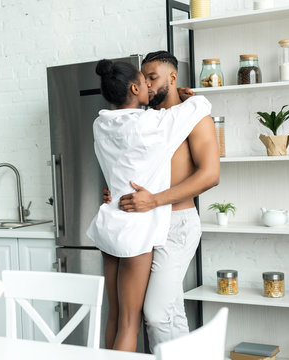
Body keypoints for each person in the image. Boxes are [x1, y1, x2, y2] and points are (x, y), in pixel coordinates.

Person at [87, 59, 211, 352]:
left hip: (110, 222)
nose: (150, 85)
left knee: (115, 317)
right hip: (136, 229)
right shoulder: (153, 123)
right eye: (146, 80)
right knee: (131, 322)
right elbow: (199, 106)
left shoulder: (100, 122)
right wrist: (187, 98)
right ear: (135, 87)